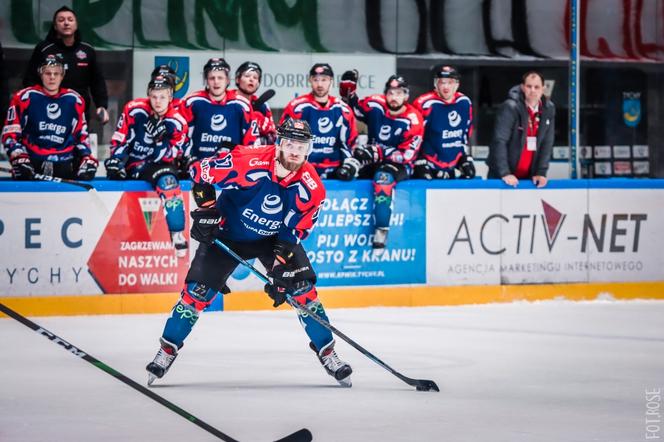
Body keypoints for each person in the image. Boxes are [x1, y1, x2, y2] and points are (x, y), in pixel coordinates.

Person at [145, 118, 353, 387]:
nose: (294, 151)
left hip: (274, 240)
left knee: (303, 291)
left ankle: (328, 353)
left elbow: (294, 233)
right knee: (196, 293)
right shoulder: (246, 160)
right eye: (289, 143)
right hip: (229, 234)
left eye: (301, 147)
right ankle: (167, 350)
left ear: (308, 150)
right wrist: (208, 211)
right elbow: (199, 173)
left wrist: (280, 270)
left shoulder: (312, 188)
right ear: (279, 143)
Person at [104, 76, 189, 257]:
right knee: (113, 177)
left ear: (170, 97)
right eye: (154, 96)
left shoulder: (177, 122)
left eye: (163, 97)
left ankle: (177, 234)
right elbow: (121, 137)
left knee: (169, 181)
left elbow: (173, 154)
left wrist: (160, 140)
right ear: (149, 95)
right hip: (133, 164)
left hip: (159, 166)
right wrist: (116, 159)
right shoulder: (134, 110)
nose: (158, 102)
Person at [338, 73, 424, 251]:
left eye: (399, 93)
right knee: (345, 173)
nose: (394, 97)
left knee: (382, 178)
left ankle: (381, 230)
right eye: (391, 93)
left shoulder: (413, 119)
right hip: (372, 157)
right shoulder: (375, 104)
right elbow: (353, 108)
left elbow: (407, 156)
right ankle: (342, 227)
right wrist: (349, 89)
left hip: (398, 165)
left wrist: (379, 152)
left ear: (406, 96)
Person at [3, 54, 97, 181]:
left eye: (56, 73)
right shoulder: (23, 98)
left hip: (64, 166)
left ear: (62, 75)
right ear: (40, 74)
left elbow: (81, 137)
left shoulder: (75, 100)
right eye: (47, 73)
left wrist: (87, 159)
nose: (52, 77)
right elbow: (10, 135)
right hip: (31, 165)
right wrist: (18, 157)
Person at [22, 6, 109, 124]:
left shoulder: (87, 50)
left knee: (78, 142)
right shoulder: (44, 49)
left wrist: (101, 106)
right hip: (48, 111)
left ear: (76, 25)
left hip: (79, 112)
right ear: (55, 26)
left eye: (70, 20)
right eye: (61, 20)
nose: (66, 23)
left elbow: (97, 81)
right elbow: (30, 80)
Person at [178, 57, 257, 176]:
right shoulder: (192, 102)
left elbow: (251, 140)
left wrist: (245, 164)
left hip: (232, 170)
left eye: (220, 77)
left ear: (227, 80)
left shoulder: (242, 105)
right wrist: (189, 159)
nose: (216, 82)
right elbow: (182, 136)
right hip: (199, 169)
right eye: (212, 78)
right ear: (206, 80)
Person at [280, 63, 357, 178]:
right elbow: (283, 141)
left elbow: (350, 143)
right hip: (302, 169)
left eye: (324, 80)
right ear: (310, 80)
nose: (320, 84)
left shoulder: (343, 110)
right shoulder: (297, 107)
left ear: (331, 81)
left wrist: (348, 165)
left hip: (335, 172)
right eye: (316, 80)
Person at [487, 71, 555, 188]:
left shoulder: (548, 109)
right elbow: (500, 141)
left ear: (543, 88)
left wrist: (541, 172)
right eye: (529, 86)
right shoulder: (510, 107)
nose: (533, 90)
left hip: (529, 178)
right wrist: (505, 173)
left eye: (537, 87)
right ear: (523, 87)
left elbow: (547, 143)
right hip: (503, 177)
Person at [412, 65, 475, 179]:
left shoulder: (464, 102)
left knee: (469, 173)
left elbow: (467, 131)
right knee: (425, 179)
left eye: (450, 83)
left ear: (457, 85)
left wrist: (463, 154)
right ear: (436, 84)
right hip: (428, 159)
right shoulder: (425, 103)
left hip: (451, 159)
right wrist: (417, 157)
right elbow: (413, 134)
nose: (446, 87)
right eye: (442, 82)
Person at [233, 61, 277, 144]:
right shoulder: (228, 100)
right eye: (247, 76)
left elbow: (274, 138)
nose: (251, 79)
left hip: (252, 154)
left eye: (255, 77)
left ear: (258, 83)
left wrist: (263, 125)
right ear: (237, 79)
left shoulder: (263, 106)